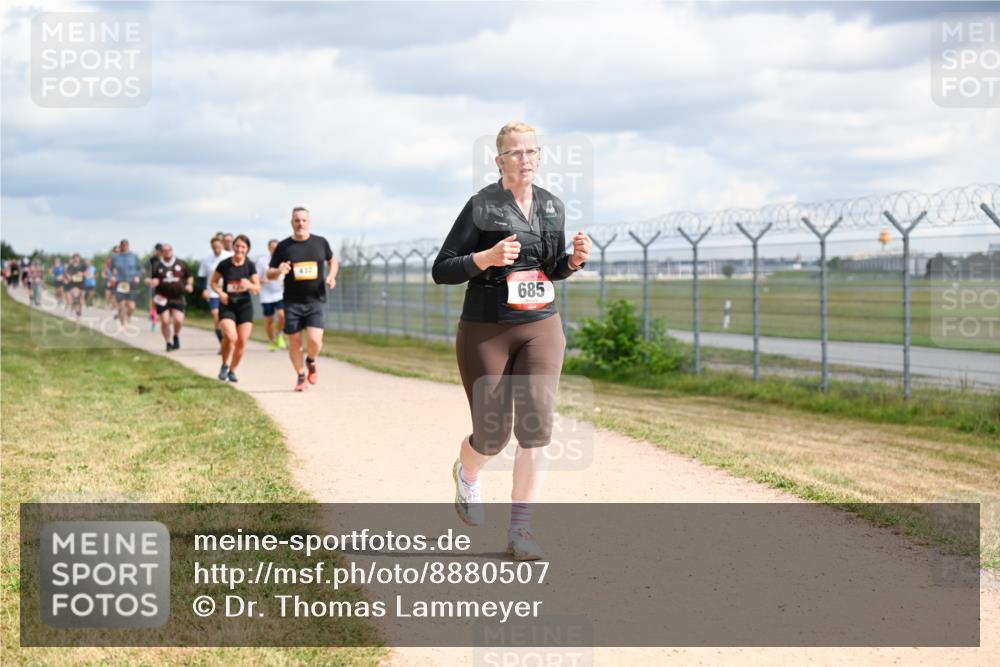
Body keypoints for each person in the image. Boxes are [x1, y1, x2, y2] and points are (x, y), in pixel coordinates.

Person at [432, 121, 591, 561]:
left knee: (537, 427)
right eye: (515, 153)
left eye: (532, 152)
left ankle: (520, 530)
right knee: (493, 433)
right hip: (487, 329)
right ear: (499, 160)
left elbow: (550, 268)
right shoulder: (481, 206)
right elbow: (442, 268)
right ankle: (468, 471)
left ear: (539, 157)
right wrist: (483, 258)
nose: (525, 160)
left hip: (541, 325)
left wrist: (572, 261)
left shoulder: (552, 207)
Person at [267, 207, 338, 392]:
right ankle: (300, 377)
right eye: (297, 220)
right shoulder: (284, 247)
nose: (300, 223)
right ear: (292, 222)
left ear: (309, 222)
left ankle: (311, 360)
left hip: (316, 300)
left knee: (315, 340)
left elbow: (333, 260)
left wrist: (331, 276)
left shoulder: (320, 242)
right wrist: (279, 270)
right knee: (295, 342)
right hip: (292, 302)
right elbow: (269, 273)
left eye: (303, 220)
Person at [212, 235, 260, 382]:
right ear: (233, 247)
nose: (240, 249)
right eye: (237, 246)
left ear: (247, 249)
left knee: (242, 342)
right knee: (231, 337)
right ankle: (224, 364)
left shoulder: (250, 265)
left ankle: (232, 370)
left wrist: (249, 285)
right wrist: (220, 293)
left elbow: (257, 288)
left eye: (243, 247)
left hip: (245, 306)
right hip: (228, 305)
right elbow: (213, 282)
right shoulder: (224, 264)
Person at [148, 243, 193, 351]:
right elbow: (148, 278)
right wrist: (152, 281)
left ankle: (176, 335)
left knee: (178, 320)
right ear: (162, 252)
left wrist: (189, 284)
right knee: (165, 321)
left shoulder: (181, 263)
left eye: (169, 250)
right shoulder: (157, 265)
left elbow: (189, 276)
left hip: (178, 297)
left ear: (172, 251)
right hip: (162, 297)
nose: (167, 252)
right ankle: (168, 343)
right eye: (165, 250)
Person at [198, 235, 233, 352]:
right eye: (214, 248)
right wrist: (204, 289)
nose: (216, 250)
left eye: (218, 247)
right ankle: (222, 343)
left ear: (222, 245)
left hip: (228, 291)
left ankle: (230, 340)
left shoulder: (229, 256)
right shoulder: (207, 259)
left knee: (229, 318)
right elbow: (202, 276)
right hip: (213, 291)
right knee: (216, 316)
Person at [257, 238, 287, 351]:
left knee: (282, 315)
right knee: (269, 320)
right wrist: (265, 280)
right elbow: (256, 278)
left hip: (280, 293)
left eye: (276, 247)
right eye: (272, 247)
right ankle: (271, 341)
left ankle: (280, 334)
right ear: (268, 248)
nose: (274, 249)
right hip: (266, 295)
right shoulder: (262, 261)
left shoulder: (284, 260)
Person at [111, 239, 143, 326]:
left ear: (128, 246)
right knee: (121, 304)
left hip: (131, 282)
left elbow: (140, 269)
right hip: (120, 282)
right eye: (122, 245)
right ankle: (123, 324)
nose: (124, 247)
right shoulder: (115, 257)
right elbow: (110, 269)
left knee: (131, 306)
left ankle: (128, 317)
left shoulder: (134, 256)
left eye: (126, 245)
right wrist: (112, 276)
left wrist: (138, 276)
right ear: (120, 246)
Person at [64, 253, 86, 318]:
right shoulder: (70, 266)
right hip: (73, 284)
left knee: (81, 298)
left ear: (79, 259)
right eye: (75, 258)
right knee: (75, 297)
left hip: (81, 284)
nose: (76, 259)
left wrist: (82, 273)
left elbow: (87, 273)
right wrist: (68, 277)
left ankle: (79, 310)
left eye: (78, 258)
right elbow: (67, 273)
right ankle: (76, 310)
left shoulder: (83, 266)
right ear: (73, 259)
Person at [147, 243, 163, 330]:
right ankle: (154, 322)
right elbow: (146, 272)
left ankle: (162, 319)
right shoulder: (151, 260)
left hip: (164, 285)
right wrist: (147, 279)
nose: (159, 252)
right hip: (153, 284)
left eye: (161, 250)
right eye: (158, 250)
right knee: (153, 304)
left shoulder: (165, 259)